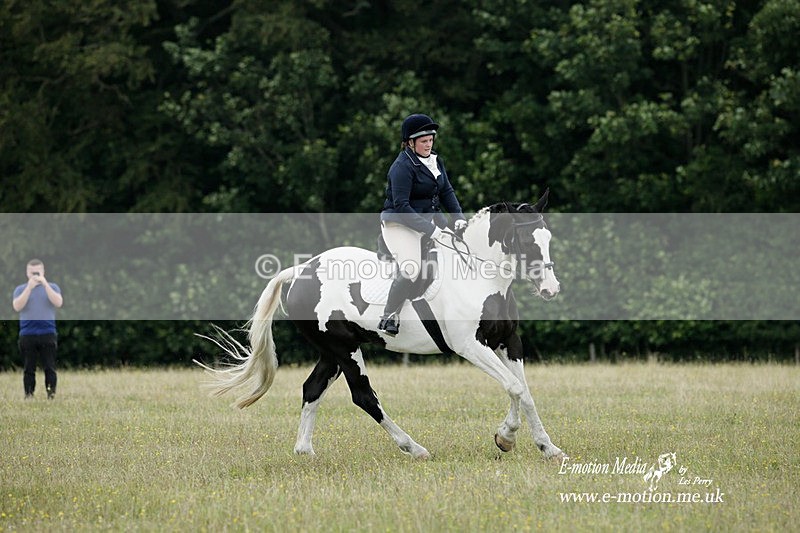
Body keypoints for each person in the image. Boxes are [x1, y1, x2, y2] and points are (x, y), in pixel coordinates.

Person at [378, 113, 467, 335]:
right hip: (399, 224)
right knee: (411, 268)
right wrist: (432, 230)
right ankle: (388, 316)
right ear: (410, 142)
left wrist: (458, 218)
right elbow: (402, 207)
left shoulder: (436, 161)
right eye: (423, 141)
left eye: (431, 140)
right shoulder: (401, 168)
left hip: (429, 222)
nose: (429, 145)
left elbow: (446, 191)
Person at [12, 259, 63, 399]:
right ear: (27, 273)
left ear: (43, 271)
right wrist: (29, 288)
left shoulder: (52, 287)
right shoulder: (21, 289)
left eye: (38, 272)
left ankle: (51, 395)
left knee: (50, 367)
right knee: (29, 368)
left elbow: (58, 302)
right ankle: (29, 395)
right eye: (32, 272)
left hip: (48, 333)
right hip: (27, 334)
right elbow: (17, 306)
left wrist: (45, 284)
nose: (35, 275)